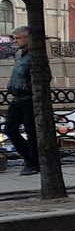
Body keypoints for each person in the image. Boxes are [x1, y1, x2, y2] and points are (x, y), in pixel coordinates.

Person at [4, 26, 38, 175]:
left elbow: (43, 78)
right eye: (14, 38)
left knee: (31, 132)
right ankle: (30, 158)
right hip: (17, 98)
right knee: (9, 129)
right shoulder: (19, 54)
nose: (15, 41)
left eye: (18, 38)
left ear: (28, 38)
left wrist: (30, 89)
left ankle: (33, 163)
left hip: (29, 99)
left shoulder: (36, 55)